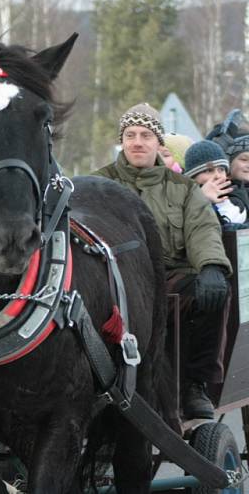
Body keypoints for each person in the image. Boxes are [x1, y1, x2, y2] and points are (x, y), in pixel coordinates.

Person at [94, 103, 232, 419]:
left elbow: (203, 228)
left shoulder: (183, 189)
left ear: (158, 143)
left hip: (167, 278)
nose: (137, 142)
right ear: (122, 140)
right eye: (130, 135)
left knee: (211, 291)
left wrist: (211, 266)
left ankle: (194, 387)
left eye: (145, 135)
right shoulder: (98, 184)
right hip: (114, 281)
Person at [184, 140, 248, 227]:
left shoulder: (234, 198)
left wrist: (202, 201)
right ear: (192, 177)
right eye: (209, 170)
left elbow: (219, 227)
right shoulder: (180, 198)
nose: (217, 176)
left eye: (221, 169)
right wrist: (199, 198)